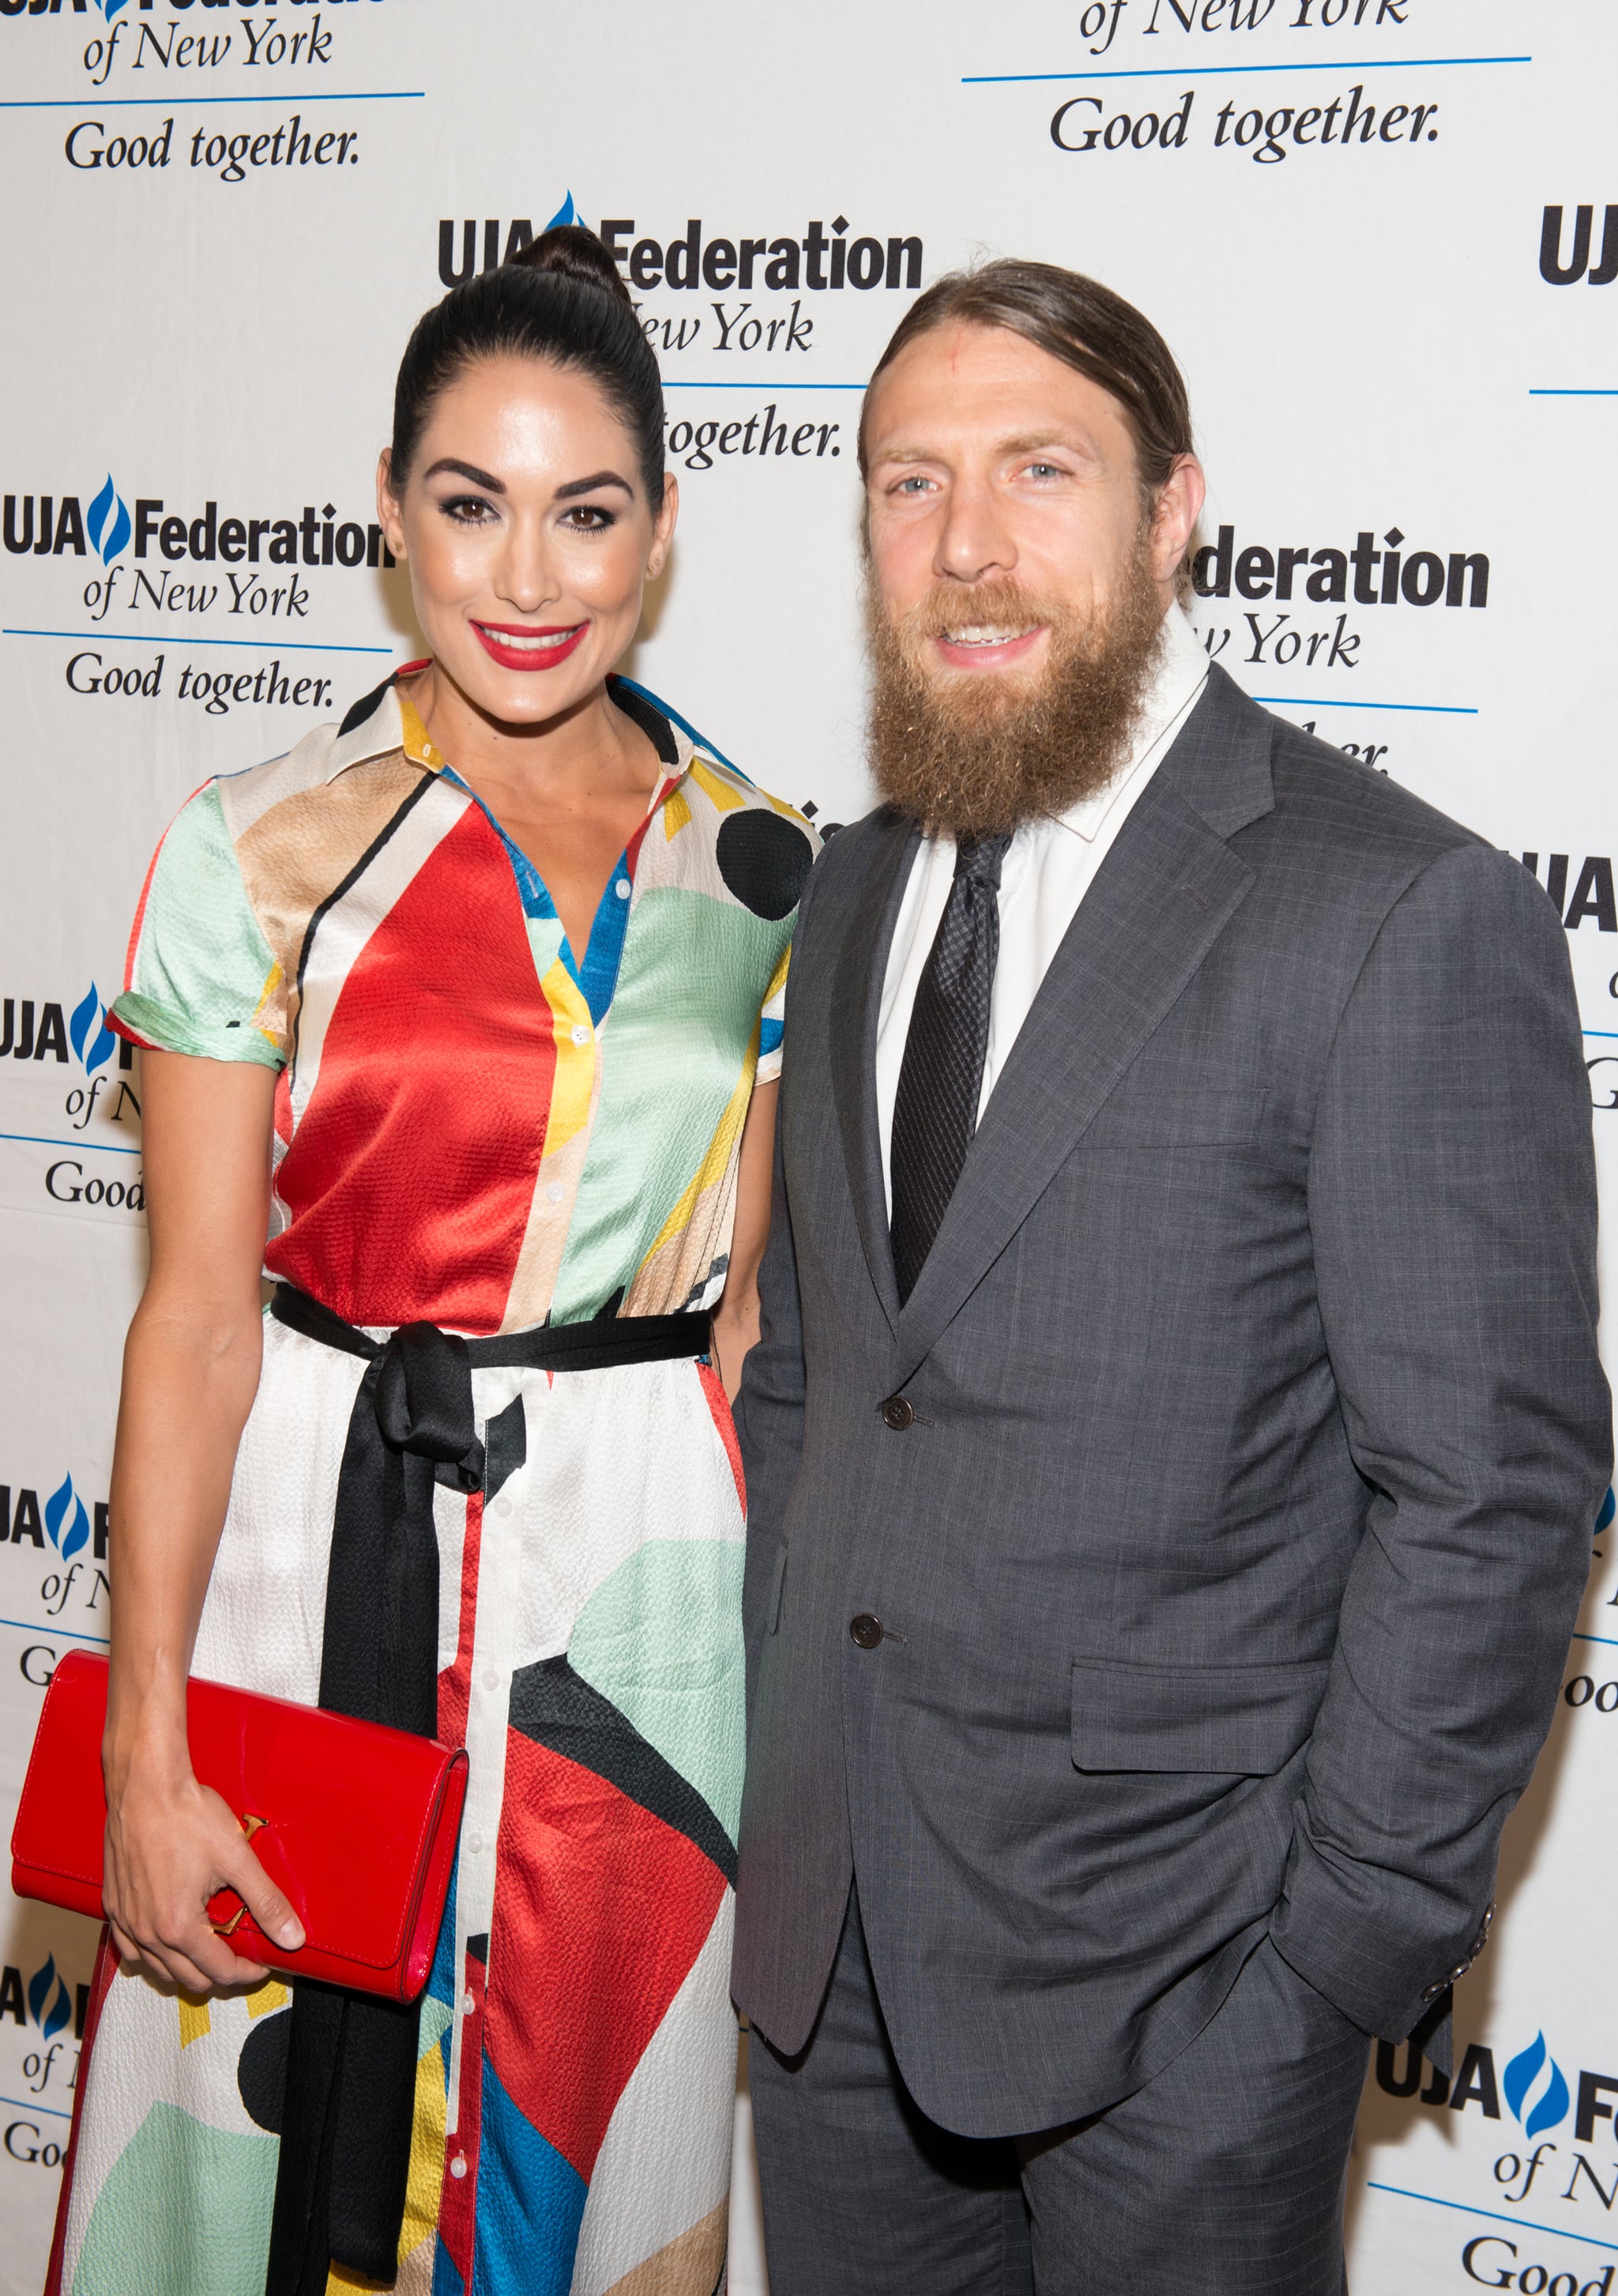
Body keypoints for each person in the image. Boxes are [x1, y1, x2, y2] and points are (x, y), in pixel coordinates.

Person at [731, 258, 1609, 2295]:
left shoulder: (1395, 907)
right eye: (908, 483)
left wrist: (1330, 1957)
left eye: (1040, 471)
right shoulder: (855, 882)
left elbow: (1490, 1491)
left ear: (1172, 509)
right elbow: (827, 1370)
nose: (967, 547)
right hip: (833, 1953)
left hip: (1188, 1991)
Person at [51, 225, 816, 2296]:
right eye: (472, 504)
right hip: (313, 1551)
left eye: (588, 512)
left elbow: (756, 1330)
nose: (530, 573)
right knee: (250, 2156)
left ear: (661, 531)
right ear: (393, 517)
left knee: (599, 2134)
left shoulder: (762, 865)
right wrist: (144, 1744)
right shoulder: (260, 843)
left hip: (643, 1614)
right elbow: (199, 1321)